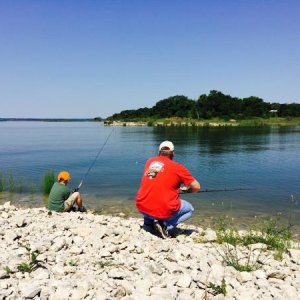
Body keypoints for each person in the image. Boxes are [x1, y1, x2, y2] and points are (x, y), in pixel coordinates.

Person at [135, 141, 200, 238]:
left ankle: (148, 224)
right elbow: (196, 187)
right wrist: (188, 190)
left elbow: (157, 181)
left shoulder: (150, 161)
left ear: (158, 152)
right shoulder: (178, 167)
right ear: (173, 153)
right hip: (161, 210)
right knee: (190, 209)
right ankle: (166, 226)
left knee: (151, 194)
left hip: (141, 206)